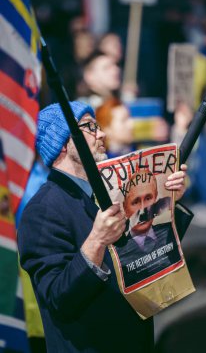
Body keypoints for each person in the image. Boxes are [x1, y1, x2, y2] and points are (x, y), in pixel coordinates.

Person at [17, 100, 192, 353]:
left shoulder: (112, 188)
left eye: (98, 125)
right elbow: (58, 299)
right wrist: (96, 241)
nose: (102, 133)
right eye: (89, 127)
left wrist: (168, 201)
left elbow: (146, 252)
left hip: (135, 339)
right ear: (63, 143)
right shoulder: (41, 210)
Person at [115, 168, 191, 288]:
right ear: (125, 207)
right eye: (135, 202)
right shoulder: (118, 248)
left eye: (148, 198)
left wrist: (175, 197)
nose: (143, 211)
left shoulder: (167, 229)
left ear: (156, 198)